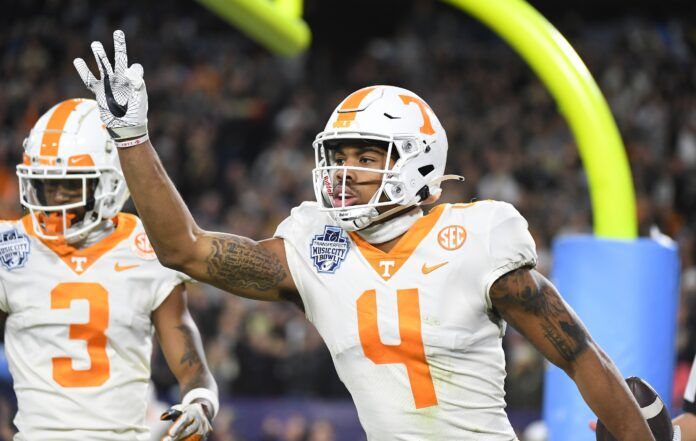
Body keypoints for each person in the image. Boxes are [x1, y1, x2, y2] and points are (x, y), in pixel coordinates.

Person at [74, 30, 655, 440]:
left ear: (418, 163)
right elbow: (186, 249)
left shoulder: (476, 237)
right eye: (338, 156)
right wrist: (132, 137)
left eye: (367, 156)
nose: (345, 172)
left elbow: (581, 357)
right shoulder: (310, 247)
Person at [0, 97, 218, 441]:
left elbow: (189, 360)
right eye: (45, 183)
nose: (55, 197)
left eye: (71, 184)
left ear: (111, 182)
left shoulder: (149, 246)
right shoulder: (10, 247)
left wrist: (199, 401)